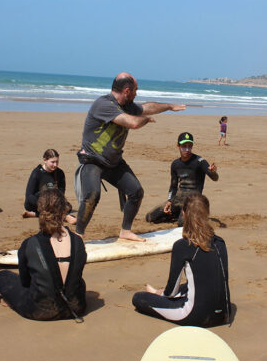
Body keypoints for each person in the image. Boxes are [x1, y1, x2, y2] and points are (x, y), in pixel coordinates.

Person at [76, 72, 185, 242]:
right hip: (93, 160)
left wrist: (169, 106)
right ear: (127, 91)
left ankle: (125, 231)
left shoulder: (128, 105)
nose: (136, 94)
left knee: (136, 192)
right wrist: (146, 119)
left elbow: (149, 107)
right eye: (135, 90)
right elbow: (133, 123)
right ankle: (78, 234)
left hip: (114, 163)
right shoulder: (103, 104)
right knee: (92, 195)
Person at [133, 193, 231, 327]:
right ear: (208, 213)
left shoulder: (182, 246)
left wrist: (161, 294)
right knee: (190, 285)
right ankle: (160, 292)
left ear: (184, 214)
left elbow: (171, 293)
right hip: (224, 314)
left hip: (196, 316)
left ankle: (157, 293)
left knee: (139, 298)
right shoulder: (220, 242)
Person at [0, 189, 87, 321]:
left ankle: (10, 301)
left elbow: (25, 282)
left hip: (40, 310)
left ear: (40, 212)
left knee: (2, 276)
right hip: (76, 308)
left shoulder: (29, 243)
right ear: (64, 212)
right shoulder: (78, 241)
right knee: (79, 281)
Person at [145, 132, 219, 226]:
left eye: (190, 146)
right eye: (184, 146)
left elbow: (215, 178)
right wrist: (169, 201)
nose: (187, 149)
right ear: (178, 146)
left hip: (193, 200)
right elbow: (173, 186)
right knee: (150, 217)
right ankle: (178, 212)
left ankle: (194, 213)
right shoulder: (175, 164)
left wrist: (213, 172)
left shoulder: (200, 161)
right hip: (178, 199)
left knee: (181, 223)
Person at [23, 149, 76, 224]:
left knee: (68, 206)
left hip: (53, 202)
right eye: (52, 162)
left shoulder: (60, 173)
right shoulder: (37, 173)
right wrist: (43, 204)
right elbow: (29, 195)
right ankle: (66, 217)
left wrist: (55, 203)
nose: (55, 165)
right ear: (45, 160)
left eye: (57, 162)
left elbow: (61, 192)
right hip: (36, 202)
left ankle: (35, 214)